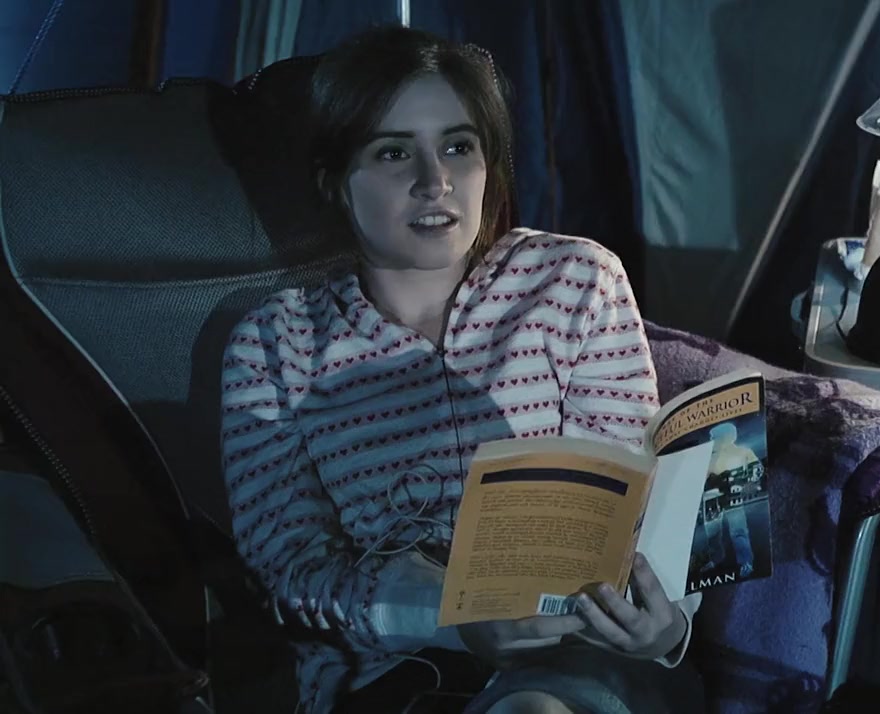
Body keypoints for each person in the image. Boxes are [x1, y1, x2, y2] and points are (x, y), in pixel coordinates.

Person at [219, 26, 702, 714]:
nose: (435, 181)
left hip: (587, 659)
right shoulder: (274, 344)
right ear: (335, 181)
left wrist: (666, 625)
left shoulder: (573, 280)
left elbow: (630, 508)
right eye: (393, 152)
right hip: (394, 676)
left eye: (457, 146)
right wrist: (449, 616)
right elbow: (289, 571)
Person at [700, 423, 758, 577]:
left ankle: (746, 562)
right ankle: (716, 559)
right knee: (712, 532)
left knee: (738, 530)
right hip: (711, 498)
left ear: (726, 437)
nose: (712, 440)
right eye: (711, 437)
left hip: (733, 495)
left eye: (714, 437)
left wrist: (746, 482)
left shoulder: (743, 452)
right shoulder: (708, 457)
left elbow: (756, 469)